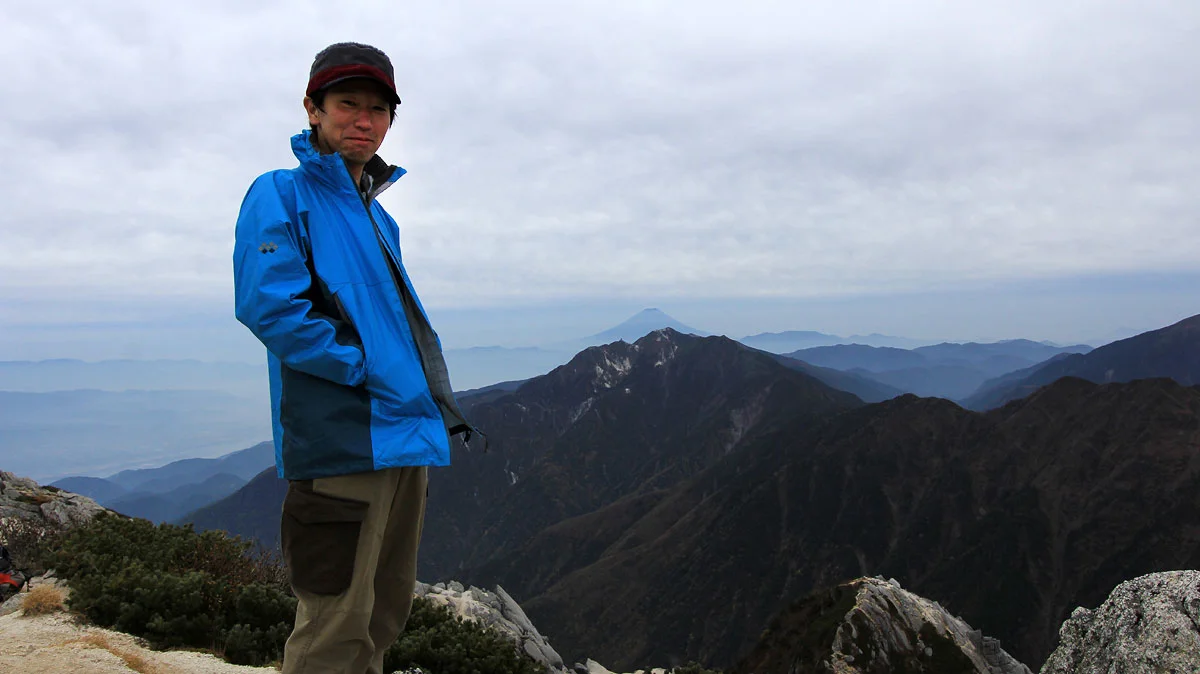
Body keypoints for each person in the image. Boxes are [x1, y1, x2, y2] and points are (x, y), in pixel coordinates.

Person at [232, 41, 476, 674]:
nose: (364, 121)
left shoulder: (377, 215)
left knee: (384, 611)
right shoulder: (280, 194)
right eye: (347, 104)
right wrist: (364, 370)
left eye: (378, 109)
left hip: (403, 434)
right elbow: (271, 308)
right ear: (312, 108)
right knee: (335, 620)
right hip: (343, 436)